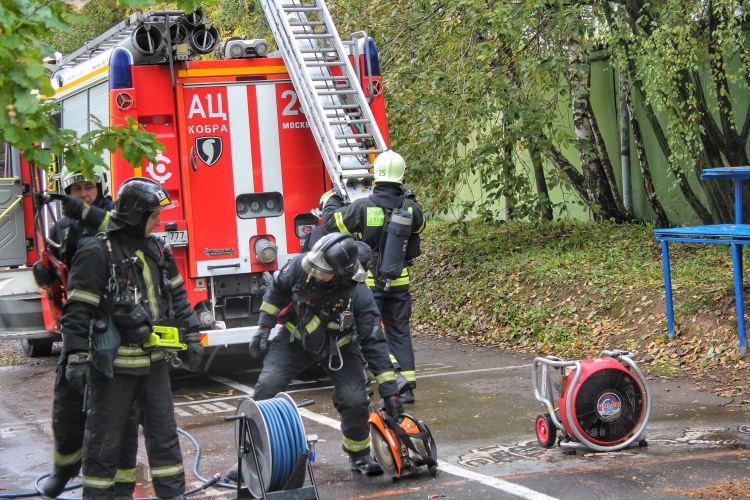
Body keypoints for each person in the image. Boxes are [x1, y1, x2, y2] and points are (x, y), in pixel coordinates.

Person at [60, 177, 204, 500]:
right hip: (113, 371)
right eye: (153, 215)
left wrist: (192, 335)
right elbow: (77, 312)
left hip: (154, 366)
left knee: (164, 437)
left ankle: (172, 495)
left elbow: (178, 298)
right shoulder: (97, 252)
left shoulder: (157, 248)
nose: (158, 221)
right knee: (105, 442)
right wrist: (77, 356)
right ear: (137, 215)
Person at [249, 232, 403, 475]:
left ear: (341, 274)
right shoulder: (303, 266)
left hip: (339, 348)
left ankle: (359, 455)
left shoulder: (359, 294)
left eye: (323, 271)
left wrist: (390, 392)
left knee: (354, 400)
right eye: (315, 266)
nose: (315, 272)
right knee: (268, 385)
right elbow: (277, 289)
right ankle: (252, 452)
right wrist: (264, 326)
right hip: (295, 340)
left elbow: (373, 343)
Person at [32, 168, 140, 499]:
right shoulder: (61, 228)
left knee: (121, 411)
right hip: (78, 325)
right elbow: (51, 276)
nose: (82, 194)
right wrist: (43, 272)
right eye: (75, 188)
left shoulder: (115, 218)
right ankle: (64, 469)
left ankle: (122, 483)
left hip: (116, 324)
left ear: (100, 188)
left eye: (88, 187)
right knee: (66, 404)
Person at [322, 150, 425, 404]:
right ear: (401, 177)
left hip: (368, 285)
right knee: (399, 331)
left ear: (375, 177)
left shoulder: (362, 207)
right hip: (399, 282)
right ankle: (407, 387)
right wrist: (408, 196)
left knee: (369, 333)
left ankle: (390, 378)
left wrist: (333, 197)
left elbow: (330, 223)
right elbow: (420, 225)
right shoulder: (410, 209)